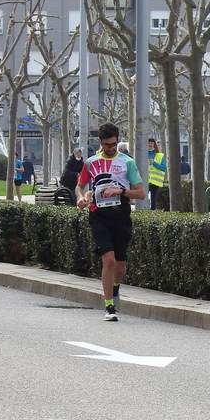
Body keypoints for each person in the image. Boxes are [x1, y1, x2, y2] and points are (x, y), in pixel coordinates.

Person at [75, 123, 145, 322]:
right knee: (109, 260)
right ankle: (109, 306)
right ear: (100, 143)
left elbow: (140, 193)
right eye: (107, 145)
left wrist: (121, 191)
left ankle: (115, 288)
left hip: (121, 215)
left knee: (120, 266)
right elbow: (79, 186)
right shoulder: (90, 162)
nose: (111, 148)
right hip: (98, 215)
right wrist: (81, 198)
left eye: (114, 144)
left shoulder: (127, 162)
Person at [147, 138, 167, 210]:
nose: (150, 144)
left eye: (152, 143)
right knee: (143, 200)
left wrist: (154, 163)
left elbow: (163, 168)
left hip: (155, 182)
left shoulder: (160, 155)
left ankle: (151, 215)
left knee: (153, 201)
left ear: (154, 145)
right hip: (144, 181)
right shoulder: (142, 155)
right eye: (148, 143)